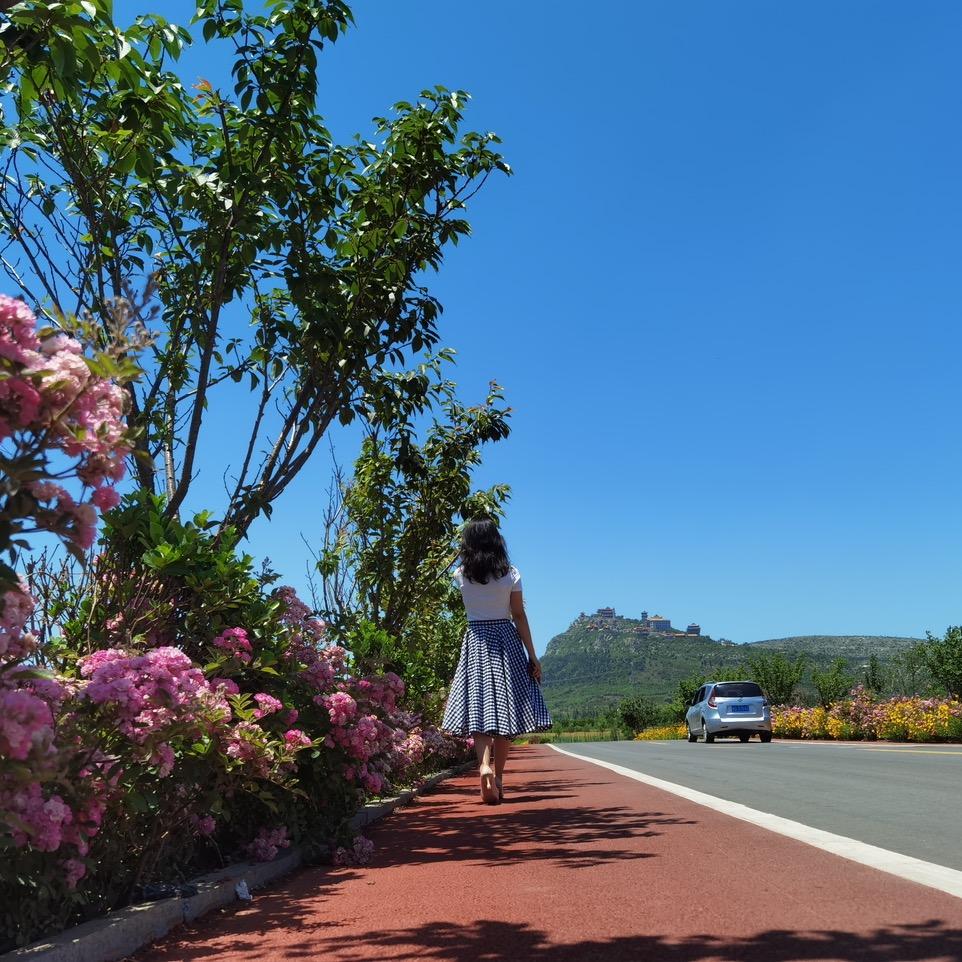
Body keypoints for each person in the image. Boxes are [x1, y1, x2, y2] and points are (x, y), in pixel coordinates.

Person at [441, 518, 552, 803]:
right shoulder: (511, 573)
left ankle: (483, 764)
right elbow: (519, 615)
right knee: (507, 712)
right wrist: (532, 654)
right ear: (496, 541)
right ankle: (499, 779)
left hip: (476, 640)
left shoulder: (461, 574)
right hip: (506, 641)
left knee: (479, 708)